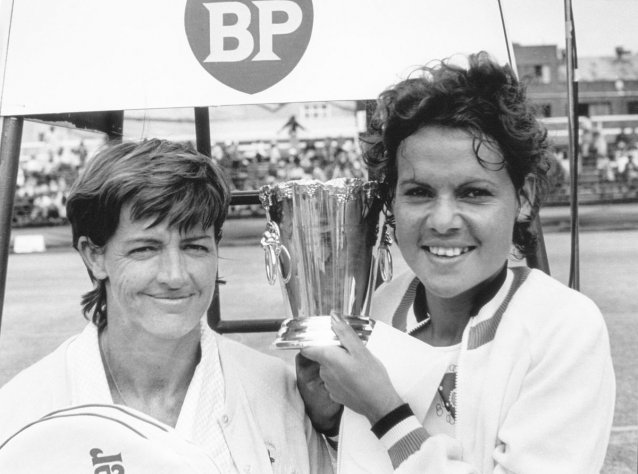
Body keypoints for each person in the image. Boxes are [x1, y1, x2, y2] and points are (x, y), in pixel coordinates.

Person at [298, 52, 615, 473]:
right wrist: (331, 420)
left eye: (473, 193)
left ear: (525, 197)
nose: (443, 220)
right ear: (391, 198)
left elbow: (389, 431)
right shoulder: (377, 307)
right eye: (419, 192)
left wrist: (384, 412)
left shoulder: (562, 327)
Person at [0, 139, 333, 474]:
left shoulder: (277, 395)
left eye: (195, 247)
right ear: (94, 255)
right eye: (145, 249)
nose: (175, 275)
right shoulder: (23, 413)